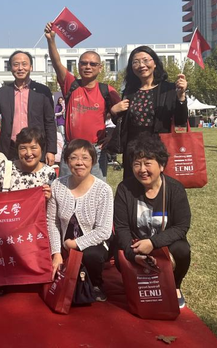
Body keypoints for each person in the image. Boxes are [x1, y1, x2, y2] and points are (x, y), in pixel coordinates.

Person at [113, 135, 191, 308]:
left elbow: (181, 226)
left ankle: (175, 286)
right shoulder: (125, 189)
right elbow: (121, 227)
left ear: (161, 165)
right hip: (136, 245)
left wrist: (153, 243)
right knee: (118, 251)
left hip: (163, 244)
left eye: (148, 163)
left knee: (182, 249)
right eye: (137, 164)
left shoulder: (175, 189)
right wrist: (133, 253)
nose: (142, 169)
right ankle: (135, 280)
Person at [44, 23, 121, 180]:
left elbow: (123, 117)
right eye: (84, 63)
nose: (88, 67)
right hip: (71, 148)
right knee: (67, 188)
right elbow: (57, 63)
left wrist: (111, 136)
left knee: (96, 189)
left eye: (93, 64)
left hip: (96, 150)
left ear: (100, 68)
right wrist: (51, 40)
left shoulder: (107, 90)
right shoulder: (71, 84)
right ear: (78, 66)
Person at [47, 139, 113, 302]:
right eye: (73, 158)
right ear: (67, 161)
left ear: (93, 161)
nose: (79, 163)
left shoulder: (103, 190)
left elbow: (104, 231)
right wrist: (56, 253)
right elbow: (52, 222)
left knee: (92, 255)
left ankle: (96, 284)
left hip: (93, 243)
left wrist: (75, 244)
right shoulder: (57, 185)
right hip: (63, 244)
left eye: (85, 158)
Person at [115, 46, 188, 178]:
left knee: (159, 185)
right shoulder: (129, 91)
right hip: (133, 149)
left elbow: (180, 121)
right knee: (133, 184)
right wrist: (114, 111)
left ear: (155, 63)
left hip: (159, 147)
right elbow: (123, 122)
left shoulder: (168, 89)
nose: (141, 65)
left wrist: (181, 97)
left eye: (145, 60)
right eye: (136, 62)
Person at [0, 50, 56, 165]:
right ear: (11, 68)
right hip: (10, 148)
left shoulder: (42, 91)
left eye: (24, 64)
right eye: (16, 64)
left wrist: (51, 150)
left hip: (35, 147)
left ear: (31, 67)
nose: (20, 68)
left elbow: (50, 122)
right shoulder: (3, 92)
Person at [0, 126, 56, 197]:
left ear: (42, 149)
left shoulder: (49, 174)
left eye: (33, 148)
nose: (28, 153)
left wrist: (50, 198)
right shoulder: (6, 168)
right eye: (23, 148)